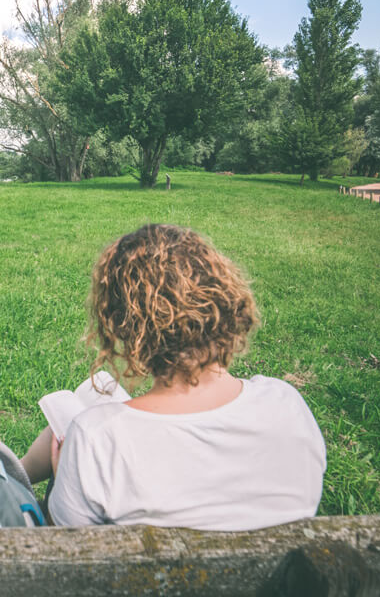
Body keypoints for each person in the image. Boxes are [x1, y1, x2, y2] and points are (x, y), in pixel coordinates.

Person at [18, 224, 326, 530]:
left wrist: (64, 475)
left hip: (140, 577)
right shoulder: (285, 402)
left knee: (79, 417)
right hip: (281, 577)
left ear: (125, 326)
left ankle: (15, 474)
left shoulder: (98, 440)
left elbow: (72, 548)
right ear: (223, 301)